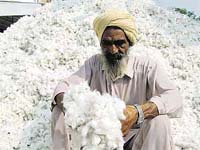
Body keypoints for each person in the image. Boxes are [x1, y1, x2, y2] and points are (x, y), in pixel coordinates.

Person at [51, 9, 183, 150]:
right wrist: (70, 106)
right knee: (60, 111)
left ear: (129, 43)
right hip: (100, 141)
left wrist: (139, 112)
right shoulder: (94, 64)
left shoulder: (147, 67)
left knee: (160, 120)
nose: (113, 50)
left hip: (137, 141)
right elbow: (64, 86)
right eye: (107, 44)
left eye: (120, 43)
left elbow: (174, 97)